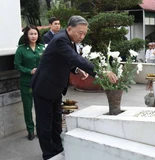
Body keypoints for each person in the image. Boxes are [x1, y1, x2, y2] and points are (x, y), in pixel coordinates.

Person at [30, 15, 118, 160]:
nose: (82, 36)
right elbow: (75, 58)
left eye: (84, 33)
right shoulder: (61, 40)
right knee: (45, 124)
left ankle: (58, 149)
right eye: (80, 33)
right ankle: (49, 154)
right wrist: (101, 71)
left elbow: (67, 60)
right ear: (69, 28)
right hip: (44, 87)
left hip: (55, 88)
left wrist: (77, 70)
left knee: (57, 122)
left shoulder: (68, 39)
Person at [14, 25, 45, 141]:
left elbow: (47, 62)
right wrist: (29, 71)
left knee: (40, 107)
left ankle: (40, 130)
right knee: (27, 107)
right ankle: (30, 130)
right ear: (27, 35)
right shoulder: (21, 49)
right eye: (31, 34)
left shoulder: (42, 48)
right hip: (26, 82)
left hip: (40, 82)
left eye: (35, 34)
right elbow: (17, 65)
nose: (33, 36)